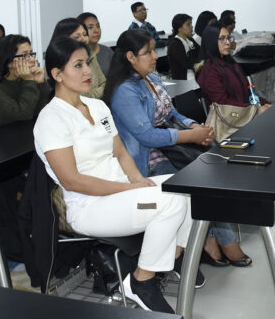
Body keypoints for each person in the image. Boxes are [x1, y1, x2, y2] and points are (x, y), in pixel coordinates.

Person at [33, 37, 198, 313]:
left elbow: (120, 152)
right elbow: (72, 180)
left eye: (88, 63)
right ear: (57, 74)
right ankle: (141, 281)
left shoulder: (97, 107)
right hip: (90, 207)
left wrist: (137, 181)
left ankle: (171, 257)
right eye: (78, 65)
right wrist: (131, 191)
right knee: (169, 203)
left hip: (123, 195)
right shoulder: (51, 119)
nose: (88, 71)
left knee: (189, 187)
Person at [106, 29, 252, 267]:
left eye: (154, 50)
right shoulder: (125, 90)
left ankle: (209, 241)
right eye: (148, 52)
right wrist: (190, 136)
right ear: (130, 57)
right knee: (199, 184)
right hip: (146, 159)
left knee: (209, 175)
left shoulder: (151, 79)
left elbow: (171, 112)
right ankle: (224, 242)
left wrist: (194, 126)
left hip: (170, 146)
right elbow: (147, 136)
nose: (155, 56)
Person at [0, 34, 51, 133]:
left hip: (22, 137)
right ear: (9, 61)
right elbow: (23, 114)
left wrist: (41, 83)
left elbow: (46, 110)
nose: (32, 60)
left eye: (31, 54)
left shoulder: (24, 80)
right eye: (25, 55)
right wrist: (29, 81)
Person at [197, 25, 270, 111]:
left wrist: (264, 103)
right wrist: (256, 109)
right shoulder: (209, 71)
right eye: (222, 39)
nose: (228, 42)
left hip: (246, 111)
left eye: (228, 38)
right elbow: (224, 105)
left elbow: (248, 94)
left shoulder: (230, 63)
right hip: (231, 119)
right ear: (211, 41)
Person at [49, 18, 105, 99]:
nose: (83, 39)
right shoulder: (57, 61)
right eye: (76, 37)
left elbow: (103, 82)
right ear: (63, 40)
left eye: (85, 34)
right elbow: (82, 96)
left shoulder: (90, 53)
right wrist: (101, 90)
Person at [166, 13, 199, 80]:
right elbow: (187, 64)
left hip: (195, 72)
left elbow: (201, 53)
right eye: (188, 24)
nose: (191, 27)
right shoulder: (175, 44)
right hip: (184, 78)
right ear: (179, 28)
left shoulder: (189, 39)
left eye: (191, 24)